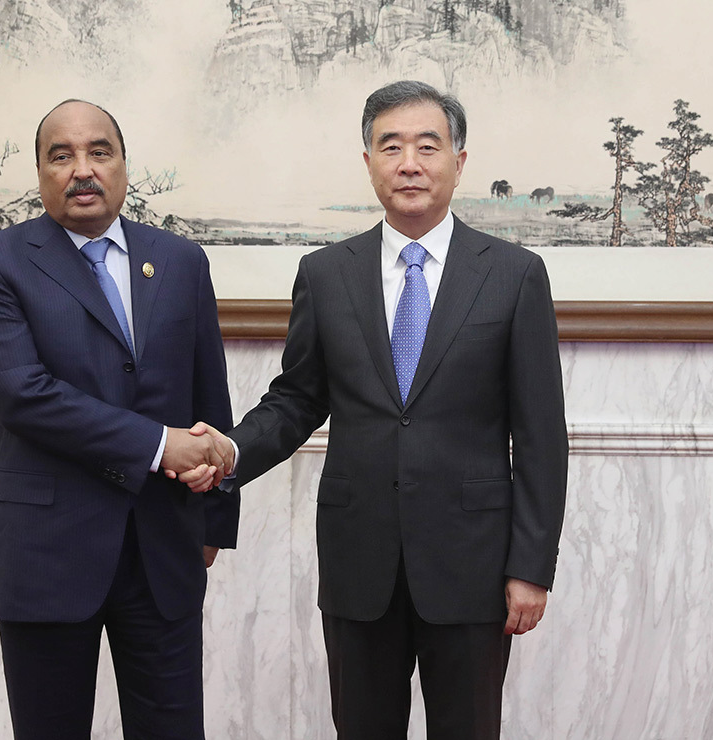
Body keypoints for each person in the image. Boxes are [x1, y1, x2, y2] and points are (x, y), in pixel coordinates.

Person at [184, 80, 568, 739]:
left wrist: (530, 567)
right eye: (391, 147)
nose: (409, 163)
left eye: (427, 146)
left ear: (459, 161)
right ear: (369, 163)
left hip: (472, 567)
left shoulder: (514, 274)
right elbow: (297, 399)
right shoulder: (326, 273)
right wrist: (232, 450)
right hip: (359, 563)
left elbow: (540, 437)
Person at [0, 99, 239, 740]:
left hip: (165, 546)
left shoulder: (181, 260)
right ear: (40, 173)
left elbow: (208, 395)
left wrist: (214, 515)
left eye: (99, 152)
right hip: (47, 554)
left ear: (123, 166)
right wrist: (157, 445)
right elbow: (24, 394)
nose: (82, 169)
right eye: (61, 156)